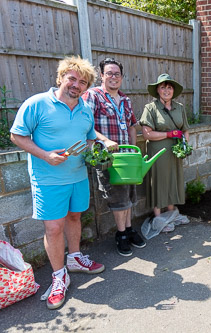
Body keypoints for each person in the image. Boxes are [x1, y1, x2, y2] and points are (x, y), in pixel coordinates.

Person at [10, 56, 105, 310]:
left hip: (78, 176)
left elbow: (87, 138)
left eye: (82, 82)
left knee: (75, 218)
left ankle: (74, 259)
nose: (76, 85)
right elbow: (16, 135)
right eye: (72, 78)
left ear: (86, 87)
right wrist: (45, 155)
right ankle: (59, 276)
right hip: (48, 180)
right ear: (61, 77)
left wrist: (94, 149)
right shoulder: (37, 104)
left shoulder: (85, 109)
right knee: (53, 229)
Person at [82, 58, 145, 257]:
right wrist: (104, 140)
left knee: (129, 195)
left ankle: (127, 229)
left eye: (117, 74)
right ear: (101, 76)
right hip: (109, 158)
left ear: (122, 77)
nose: (113, 77)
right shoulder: (93, 96)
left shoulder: (126, 100)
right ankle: (121, 235)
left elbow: (132, 125)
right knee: (118, 197)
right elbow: (86, 125)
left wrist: (134, 150)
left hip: (127, 157)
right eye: (109, 73)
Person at [140, 73, 190, 219]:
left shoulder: (179, 108)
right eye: (163, 87)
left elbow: (185, 129)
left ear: (173, 90)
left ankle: (170, 215)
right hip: (158, 152)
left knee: (172, 180)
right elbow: (146, 134)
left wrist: (185, 146)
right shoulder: (150, 108)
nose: (166, 90)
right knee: (158, 182)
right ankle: (158, 218)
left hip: (175, 152)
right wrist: (168, 135)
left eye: (169, 87)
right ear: (158, 90)